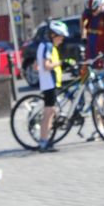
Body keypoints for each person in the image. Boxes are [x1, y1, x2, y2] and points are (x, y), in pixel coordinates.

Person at [35, 21, 69, 154]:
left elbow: (36, 66)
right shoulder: (48, 46)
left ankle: (46, 140)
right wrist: (62, 62)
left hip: (48, 83)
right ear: (54, 35)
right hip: (50, 84)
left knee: (51, 112)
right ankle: (44, 142)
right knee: (48, 114)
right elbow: (46, 66)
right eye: (61, 37)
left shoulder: (42, 45)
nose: (62, 40)